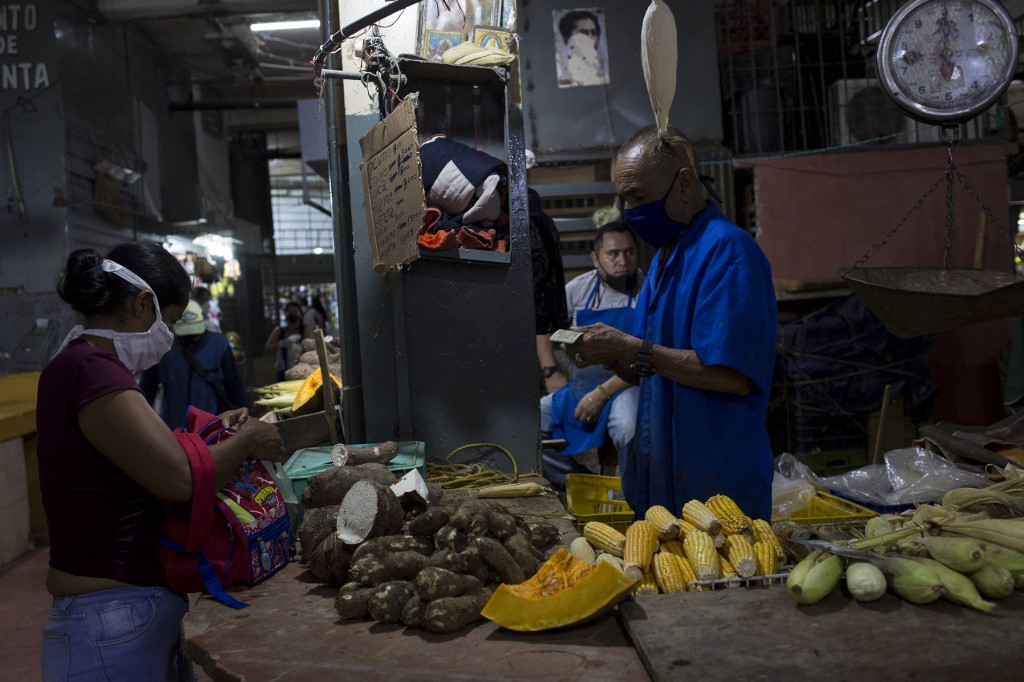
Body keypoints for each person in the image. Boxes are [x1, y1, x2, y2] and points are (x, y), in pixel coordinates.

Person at [36, 241, 285, 681]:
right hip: (109, 618)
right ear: (142, 303)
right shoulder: (91, 371)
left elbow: (149, 459)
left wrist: (216, 433)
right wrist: (245, 440)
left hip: (123, 611)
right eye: (167, 321)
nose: (168, 336)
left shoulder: (90, 368)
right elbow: (180, 478)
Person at [565, 126, 777, 521]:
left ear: (683, 183)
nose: (630, 212)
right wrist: (614, 358)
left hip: (716, 490)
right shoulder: (665, 258)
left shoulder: (727, 253)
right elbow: (657, 364)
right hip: (666, 480)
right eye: (624, 199)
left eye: (639, 197)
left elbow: (732, 376)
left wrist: (630, 347)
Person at [540, 221, 643, 469]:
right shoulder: (580, 289)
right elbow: (545, 326)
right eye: (613, 254)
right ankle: (574, 478)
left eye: (629, 252)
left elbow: (647, 360)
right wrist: (551, 370)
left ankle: (632, 493)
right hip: (581, 383)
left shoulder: (648, 290)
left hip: (628, 385)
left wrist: (600, 394)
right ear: (596, 259)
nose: (623, 260)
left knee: (626, 427)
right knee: (532, 422)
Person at [141, 299, 253, 429]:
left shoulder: (219, 344)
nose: (190, 337)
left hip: (212, 427)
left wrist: (246, 416)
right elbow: (147, 389)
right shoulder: (163, 347)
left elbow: (233, 384)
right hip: (174, 430)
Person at [556, 9, 608, 88]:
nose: (591, 38)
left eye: (594, 33)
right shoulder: (563, 79)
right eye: (583, 33)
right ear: (566, 40)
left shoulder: (605, 74)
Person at [264, 300, 304, 381]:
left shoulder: (306, 329)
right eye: (289, 311)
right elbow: (267, 350)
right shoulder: (279, 331)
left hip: (302, 370)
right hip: (283, 374)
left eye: (295, 311)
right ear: (285, 315)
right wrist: (280, 344)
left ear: (301, 314)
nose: (292, 314)